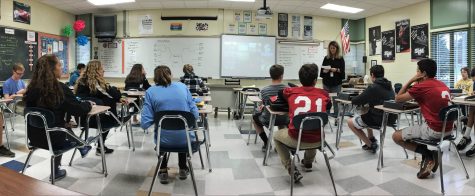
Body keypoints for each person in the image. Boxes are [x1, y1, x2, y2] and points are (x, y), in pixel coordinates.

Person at [23, 54, 93, 180]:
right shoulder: (59, 89)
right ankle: (81, 146)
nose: (62, 68)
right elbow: (78, 110)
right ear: (52, 69)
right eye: (59, 65)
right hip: (55, 140)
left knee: (59, 123)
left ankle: (80, 148)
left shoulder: (31, 89)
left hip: (34, 138)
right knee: (59, 126)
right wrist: (88, 104)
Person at [392, 59, 452, 179]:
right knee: (418, 128)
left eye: (417, 71)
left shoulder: (422, 86)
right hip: (448, 129)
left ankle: (428, 155)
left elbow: (397, 98)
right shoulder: (443, 84)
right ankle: (432, 155)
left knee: (396, 136)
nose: (416, 73)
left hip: (434, 130)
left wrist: (411, 80)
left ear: (423, 73)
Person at [273, 64, 331, 182]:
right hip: (319, 139)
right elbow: (328, 104)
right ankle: (308, 163)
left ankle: (291, 168)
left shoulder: (291, 91)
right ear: (315, 80)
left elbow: (280, 93)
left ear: (300, 79)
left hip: (296, 139)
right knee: (312, 127)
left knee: (276, 137)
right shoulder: (324, 93)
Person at [141, 65, 198, 184]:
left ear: (155, 78)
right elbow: (195, 116)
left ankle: (162, 170)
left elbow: (145, 123)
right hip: (185, 141)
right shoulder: (182, 87)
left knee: (163, 130)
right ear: (170, 75)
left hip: (163, 142)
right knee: (183, 130)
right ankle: (183, 167)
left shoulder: (150, 91)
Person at [75, 60, 125, 156]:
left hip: (82, 119)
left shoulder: (81, 81)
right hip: (95, 119)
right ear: (96, 70)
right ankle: (100, 146)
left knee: (107, 102)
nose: (103, 70)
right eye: (101, 69)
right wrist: (118, 96)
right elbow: (113, 93)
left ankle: (100, 145)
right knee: (110, 114)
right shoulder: (96, 83)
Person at [347, 65, 396, 153]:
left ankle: (371, 145)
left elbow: (356, 101)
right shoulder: (389, 86)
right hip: (391, 118)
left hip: (379, 119)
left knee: (350, 122)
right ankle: (371, 138)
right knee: (365, 110)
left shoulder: (373, 87)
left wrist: (360, 95)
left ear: (372, 75)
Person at [252, 64, 288, 151]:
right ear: (282, 75)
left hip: (268, 120)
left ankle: (266, 142)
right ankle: (281, 143)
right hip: (286, 119)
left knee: (254, 120)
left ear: (270, 75)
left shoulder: (264, 90)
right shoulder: (288, 89)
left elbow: (262, 105)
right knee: (281, 118)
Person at [320, 41, 345, 117]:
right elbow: (322, 70)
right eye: (331, 48)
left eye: (334, 48)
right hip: (326, 82)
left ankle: (337, 115)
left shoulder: (340, 58)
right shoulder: (326, 58)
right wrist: (325, 70)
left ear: (337, 49)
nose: (332, 50)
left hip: (336, 83)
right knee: (326, 99)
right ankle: (326, 115)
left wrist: (336, 70)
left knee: (335, 99)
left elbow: (342, 70)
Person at [456, 68, 475, 156]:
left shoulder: (470, 81)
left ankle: (467, 136)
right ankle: (466, 136)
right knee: (472, 108)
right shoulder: (473, 82)